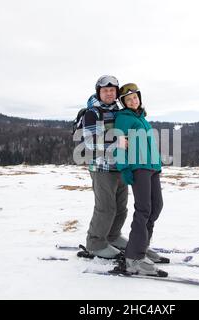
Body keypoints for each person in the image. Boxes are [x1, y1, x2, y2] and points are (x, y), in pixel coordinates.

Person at [114, 83, 168, 276]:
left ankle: (142, 247)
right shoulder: (123, 118)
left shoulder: (142, 118)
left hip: (152, 167)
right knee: (143, 209)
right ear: (124, 103)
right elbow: (120, 144)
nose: (133, 101)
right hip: (138, 169)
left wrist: (157, 165)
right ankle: (134, 258)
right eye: (128, 99)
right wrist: (124, 168)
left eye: (135, 97)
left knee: (156, 207)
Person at [82, 75, 129, 258]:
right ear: (99, 92)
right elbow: (90, 142)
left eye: (112, 90)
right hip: (101, 168)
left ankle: (113, 236)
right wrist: (116, 141)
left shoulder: (118, 111)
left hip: (120, 166)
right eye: (105, 90)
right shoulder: (92, 113)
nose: (109, 93)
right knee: (106, 208)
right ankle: (95, 243)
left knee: (121, 207)